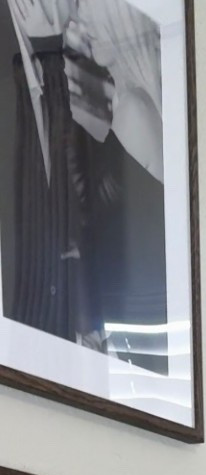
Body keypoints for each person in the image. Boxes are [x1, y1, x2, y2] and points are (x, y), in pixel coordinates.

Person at [1, 0, 167, 368]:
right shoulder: (131, 105)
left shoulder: (134, 110)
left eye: (91, 11)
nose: (81, 19)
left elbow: (82, 194)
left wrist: (49, 53)